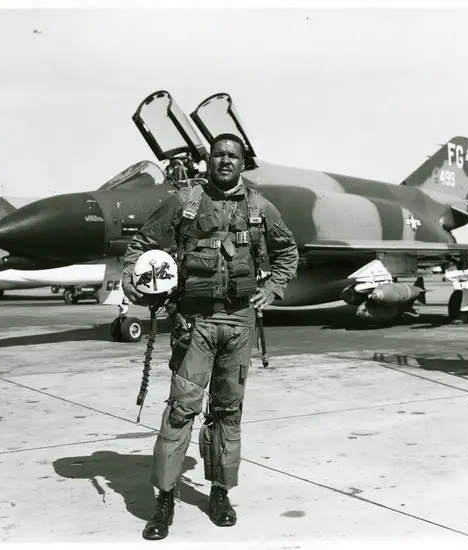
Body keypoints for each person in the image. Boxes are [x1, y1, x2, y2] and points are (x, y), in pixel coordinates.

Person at [121, 133, 299, 540]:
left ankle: (220, 492)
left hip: (239, 323)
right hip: (194, 323)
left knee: (228, 411)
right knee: (182, 409)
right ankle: (164, 499)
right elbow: (142, 243)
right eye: (218, 154)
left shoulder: (259, 207)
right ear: (209, 160)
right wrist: (133, 278)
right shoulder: (184, 202)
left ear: (241, 163)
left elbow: (288, 251)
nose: (224, 161)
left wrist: (272, 289)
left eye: (232, 156)